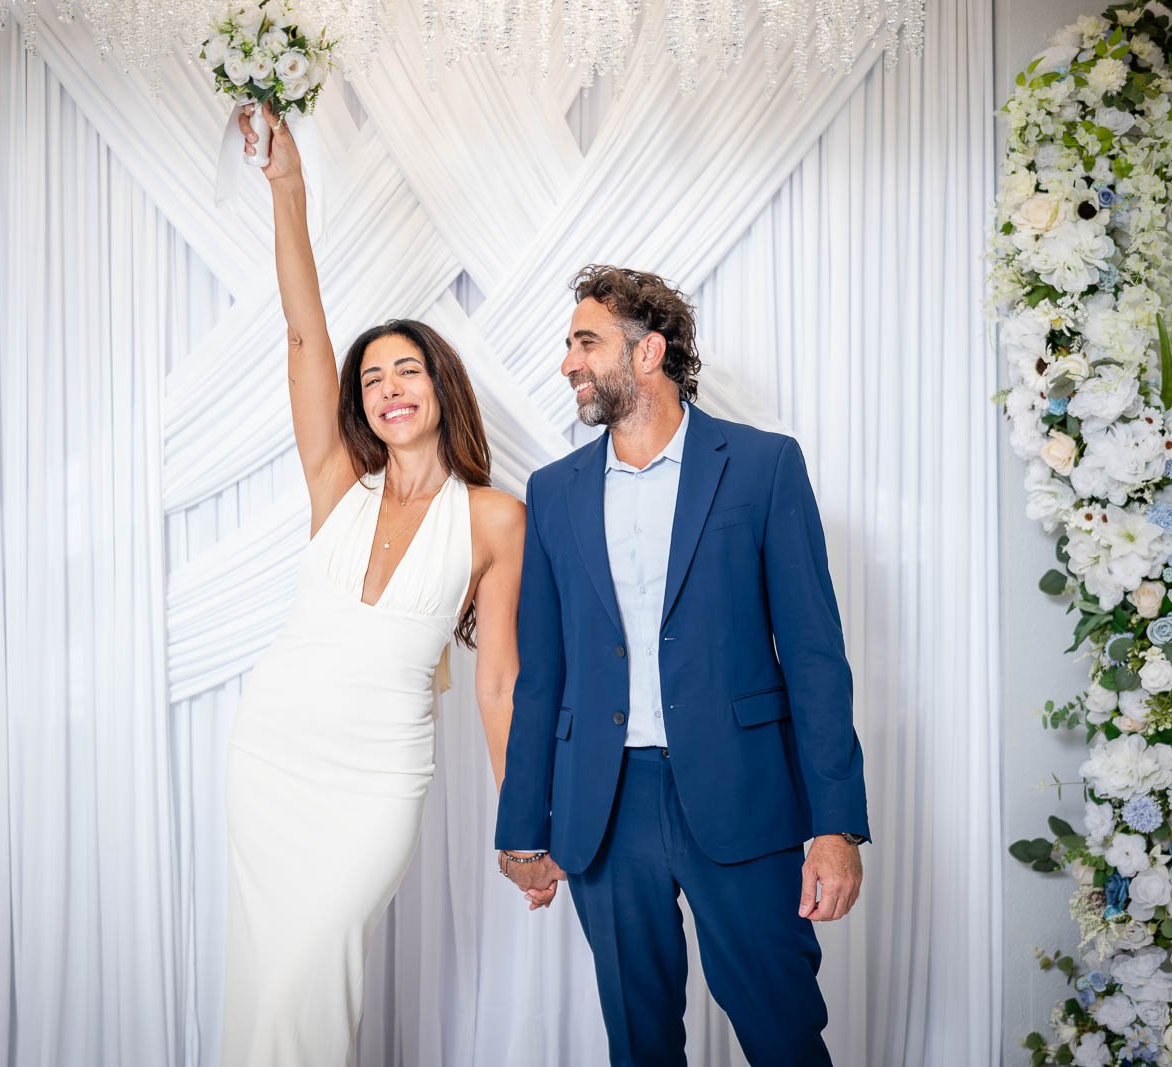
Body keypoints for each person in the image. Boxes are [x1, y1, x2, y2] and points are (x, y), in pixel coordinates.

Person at [493, 266, 870, 1065]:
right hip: (605, 805)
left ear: (649, 351)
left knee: (782, 1031)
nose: (567, 362)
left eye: (586, 342)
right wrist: (523, 826)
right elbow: (542, 675)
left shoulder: (763, 465)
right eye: (569, 345)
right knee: (639, 1043)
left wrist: (836, 825)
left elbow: (814, 657)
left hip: (744, 794)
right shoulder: (554, 492)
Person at [222, 106, 525, 1065]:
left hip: (376, 776)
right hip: (273, 752)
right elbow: (304, 335)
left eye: (408, 371)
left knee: (316, 966)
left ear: (441, 386)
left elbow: (498, 681)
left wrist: (520, 822)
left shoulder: (496, 518)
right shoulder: (335, 485)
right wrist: (287, 187)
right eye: (373, 379)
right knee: (270, 980)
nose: (389, 387)